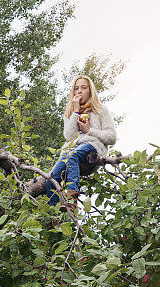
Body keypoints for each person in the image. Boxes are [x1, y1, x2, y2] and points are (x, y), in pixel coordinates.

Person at [46, 75, 117, 212]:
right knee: (51, 177)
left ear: (90, 90)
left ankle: (72, 199)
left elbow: (112, 137)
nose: (80, 91)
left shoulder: (100, 109)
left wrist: (89, 130)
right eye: (76, 88)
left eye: (84, 88)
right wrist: (76, 111)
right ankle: (53, 218)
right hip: (73, 148)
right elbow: (69, 137)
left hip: (94, 146)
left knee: (74, 155)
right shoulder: (70, 112)